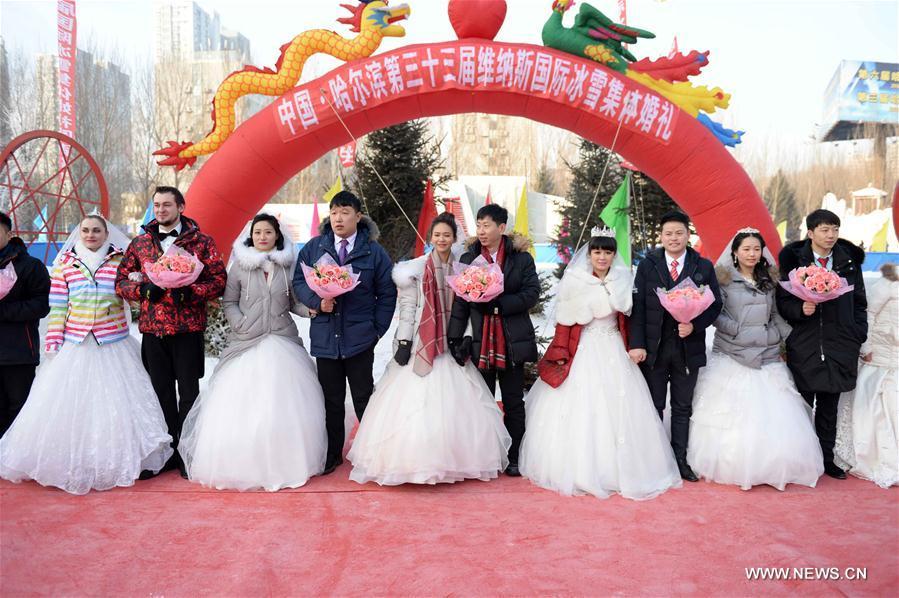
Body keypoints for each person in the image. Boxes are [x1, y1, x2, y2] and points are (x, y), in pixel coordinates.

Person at [0, 216, 172, 494]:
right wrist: (54, 338)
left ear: (107, 234)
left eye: (96, 230)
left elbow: (128, 294)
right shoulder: (65, 264)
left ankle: (118, 458)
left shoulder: (119, 262)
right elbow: (57, 305)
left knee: (117, 403)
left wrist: (140, 281)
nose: (91, 235)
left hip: (112, 341)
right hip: (76, 342)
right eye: (86, 230)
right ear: (78, 234)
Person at [347, 213, 511, 485]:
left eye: (447, 235)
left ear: (454, 239)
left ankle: (456, 460)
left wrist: (467, 336)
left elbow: (468, 306)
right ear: (430, 238)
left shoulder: (464, 270)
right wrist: (403, 341)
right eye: (437, 235)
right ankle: (411, 462)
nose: (442, 239)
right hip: (423, 343)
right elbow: (408, 308)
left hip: (453, 342)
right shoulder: (414, 270)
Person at [519, 229, 682, 500]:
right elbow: (566, 319)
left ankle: (623, 469)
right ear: (590, 254)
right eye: (597, 252)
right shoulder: (576, 281)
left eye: (607, 252)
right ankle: (582, 469)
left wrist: (635, 345)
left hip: (615, 348)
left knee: (621, 408)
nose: (602, 257)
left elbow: (631, 317)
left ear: (614, 255)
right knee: (583, 406)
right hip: (584, 349)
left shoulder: (623, 280)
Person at [180, 214, 327, 490]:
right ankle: (240, 462)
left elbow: (293, 302)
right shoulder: (239, 267)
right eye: (258, 232)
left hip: (282, 338)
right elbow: (230, 301)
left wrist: (309, 310)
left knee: (284, 404)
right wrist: (239, 322)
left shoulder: (288, 266)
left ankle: (287, 461)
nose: (262, 237)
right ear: (251, 236)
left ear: (277, 236)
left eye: (268, 232)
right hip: (246, 340)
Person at [688, 228, 823, 490]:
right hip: (732, 352)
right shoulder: (722, 279)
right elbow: (714, 311)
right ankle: (733, 466)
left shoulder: (770, 279)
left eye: (756, 249)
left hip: (767, 352)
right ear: (735, 252)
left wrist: (779, 336)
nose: (752, 254)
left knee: (776, 413)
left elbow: (775, 314)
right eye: (746, 249)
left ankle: (775, 465)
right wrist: (737, 329)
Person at [115, 186, 227, 478]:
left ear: (181, 206)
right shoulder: (140, 243)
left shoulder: (201, 242)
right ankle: (166, 452)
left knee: (189, 392)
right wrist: (143, 290)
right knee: (160, 393)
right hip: (153, 330)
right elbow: (121, 281)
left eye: (167, 204)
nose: (161, 210)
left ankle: (188, 453)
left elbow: (219, 279)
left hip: (187, 328)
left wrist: (192, 292)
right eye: (157, 205)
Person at [292, 191, 397, 475]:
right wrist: (316, 302)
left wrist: (376, 330)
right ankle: (332, 453)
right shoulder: (315, 248)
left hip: (360, 338)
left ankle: (372, 452)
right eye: (334, 212)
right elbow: (299, 282)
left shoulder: (373, 251)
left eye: (345, 212)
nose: (338, 218)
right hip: (326, 337)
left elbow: (387, 294)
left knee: (364, 397)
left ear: (358, 216)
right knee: (331, 399)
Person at [628, 210, 722, 482]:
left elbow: (715, 305)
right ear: (661, 236)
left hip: (687, 348)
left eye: (679, 233)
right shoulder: (648, 265)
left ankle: (680, 459)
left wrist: (695, 325)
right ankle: (655, 460)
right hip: (654, 349)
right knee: (654, 405)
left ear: (688, 235)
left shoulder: (702, 266)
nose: (673, 238)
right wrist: (637, 344)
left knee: (682, 406)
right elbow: (639, 309)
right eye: (668, 233)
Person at [447, 204, 540, 477]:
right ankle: (487, 455)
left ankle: (514, 455)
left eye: (487, 226)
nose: (482, 231)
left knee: (512, 401)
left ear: (502, 228)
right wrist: (455, 338)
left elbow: (531, 293)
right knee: (483, 401)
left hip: (511, 339)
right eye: (479, 226)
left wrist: (499, 304)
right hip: (480, 340)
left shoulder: (521, 259)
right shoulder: (468, 256)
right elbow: (461, 301)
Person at [777, 209, 867, 480]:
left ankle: (827, 459)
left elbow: (860, 302)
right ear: (811, 233)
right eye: (825, 230)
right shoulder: (794, 261)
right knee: (803, 404)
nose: (831, 235)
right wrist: (800, 309)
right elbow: (782, 302)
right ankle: (803, 460)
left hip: (840, 343)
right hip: (805, 343)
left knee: (830, 406)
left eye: (835, 230)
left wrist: (857, 333)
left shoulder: (848, 261)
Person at [835, 263, 898, 488]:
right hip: (881, 356)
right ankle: (873, 456)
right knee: (879, 407)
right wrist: (867, 345)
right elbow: (868, 314)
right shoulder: (889, 282)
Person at [0, 211, 50, 436]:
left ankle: (16, 460)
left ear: (9, 234)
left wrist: (4, 310)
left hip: (19, 351)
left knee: (19, 407)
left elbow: (41, 305)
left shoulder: (31, 266)